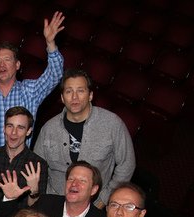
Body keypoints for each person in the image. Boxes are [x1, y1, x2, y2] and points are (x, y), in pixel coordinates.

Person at [34, 68, 136, 207]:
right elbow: (36, 169)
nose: (74, 97)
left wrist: (104, 199)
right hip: (56, 202)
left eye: (80, 91)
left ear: (90, 95)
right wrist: (45, 198)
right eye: (69, 91)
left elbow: (127, 164)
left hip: (95, 205)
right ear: (63, 98)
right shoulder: (48, 129)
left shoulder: (112, 124)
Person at [0, 12, 65, 150]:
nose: (2, 65)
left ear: (17, 65)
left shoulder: (30, 90)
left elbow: (55, 74)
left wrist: (50, 43)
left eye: (7, 60)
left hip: (21, 166)